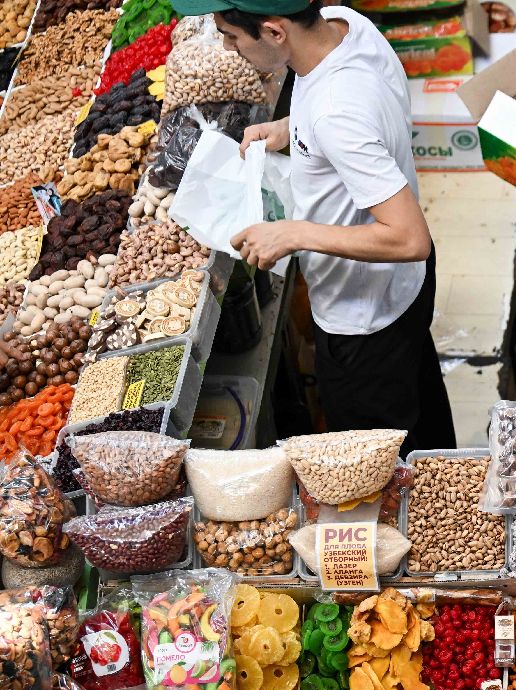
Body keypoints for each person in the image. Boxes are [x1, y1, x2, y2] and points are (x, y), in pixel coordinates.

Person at [167, 0, 455, 455]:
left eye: (232, 35)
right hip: (404, 288)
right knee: (422, 413)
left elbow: (408, 238)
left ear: (274, 31)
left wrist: (293, 233)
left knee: (374, 465)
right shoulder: (344, 24)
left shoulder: (335, 114)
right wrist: (292, 128)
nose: (227, 48)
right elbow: (359, 113)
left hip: (364, 318)